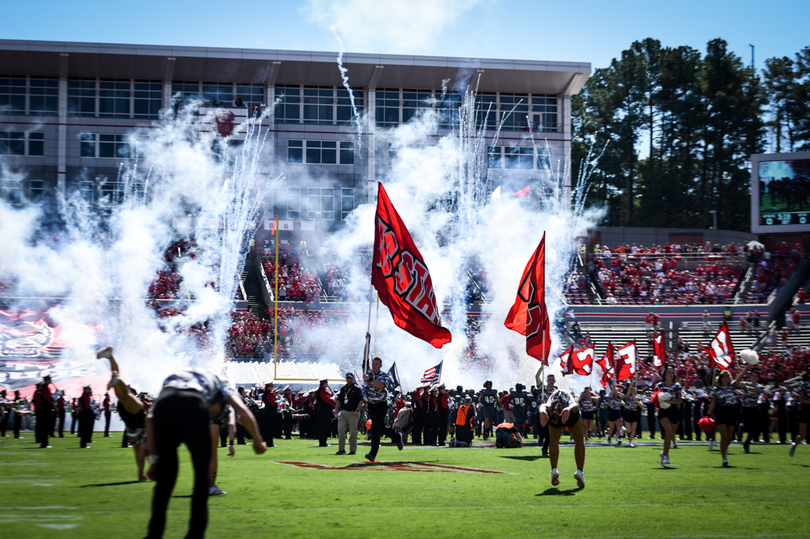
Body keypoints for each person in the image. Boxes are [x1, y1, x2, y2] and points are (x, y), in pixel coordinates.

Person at [144, 368, 266, 539]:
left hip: (166, 406)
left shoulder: (173, 379)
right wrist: (258, 440)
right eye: (214, 415)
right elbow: (242, 411)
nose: (212, 417)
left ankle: (153, 534)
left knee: (165, 480)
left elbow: (150, 418)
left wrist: (154, 460)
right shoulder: (220, 382)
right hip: (194, 405)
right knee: (202, 477)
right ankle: (195, 534)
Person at [539, 387, 586, 488]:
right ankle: (579, 471)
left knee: (554, 441)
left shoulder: (552, 402)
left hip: (555, 414)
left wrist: (542, 411)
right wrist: (568, 409)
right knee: (579, 441)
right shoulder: (568, 398)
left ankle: (554, 470)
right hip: (570, 412)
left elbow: (544, 405)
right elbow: (576, 405)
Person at [708, 363, 750, 467]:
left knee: (730, 439)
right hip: (722, 412)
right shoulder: (716, 390)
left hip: (731, 411)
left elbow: (740, 376)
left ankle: (724, 449)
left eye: (729, 375)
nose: (729, 377)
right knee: (724, 436)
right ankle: (724, 458)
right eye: (726, 375)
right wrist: (708, 414)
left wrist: (747, 366)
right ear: (722, 378)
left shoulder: (732, 386)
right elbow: (713, 403)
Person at [362, 355, 403, 462]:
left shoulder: (384, 376)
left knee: (375, 428)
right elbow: (365, 359)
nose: (374, 366)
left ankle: (372, 454)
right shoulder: (368, 373)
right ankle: (396, 437)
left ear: (380, 366)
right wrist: (368, 341)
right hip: (371, 404)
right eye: (373, 364)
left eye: (376, 364)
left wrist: (370, 379)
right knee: (380, 428)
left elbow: (380, 385)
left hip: (381, 404)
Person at [656, 364, 683, 467]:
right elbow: (655, 399)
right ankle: (668, 453)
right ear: (665, 374)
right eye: (669, 372)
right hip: (663, 411)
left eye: (672, 372)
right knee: (669, 431)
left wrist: (669, 401)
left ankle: (664, 454)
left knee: (668, 435)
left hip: (674, 410)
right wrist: (661, 402)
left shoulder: (677, 386)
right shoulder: (659, 386)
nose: (671, 374)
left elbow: (680, 401)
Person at [334, 372, 363, 455]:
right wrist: (336, 410)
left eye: (350, 378)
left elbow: (361, 400)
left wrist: (357, 409)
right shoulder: (343, 389)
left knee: (353, 431)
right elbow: (339, 400)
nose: (349, 379)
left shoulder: (357, 389)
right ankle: (341, 449)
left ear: (353, 378)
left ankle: (352, 449)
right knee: (341, 430)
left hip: (353, 412)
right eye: (347, 378)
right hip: (343, 411)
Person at [740, 369, 763, 453]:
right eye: (753, 376)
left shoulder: (760, 386)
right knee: (747, 425)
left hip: (754, 408)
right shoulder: (746, 384)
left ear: (758, 378)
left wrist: (746, 387)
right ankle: (741, 427)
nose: (754, 378)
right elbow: (737, 383)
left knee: (754, 430)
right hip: (746, 408)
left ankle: (746, 444)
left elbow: (757, 391)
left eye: (755, 376)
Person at [789, 369, 810, 457]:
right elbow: (800, 399)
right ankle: (794, 446)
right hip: (805, 410)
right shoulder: (804, 385)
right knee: (802, 435)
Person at [33, 375, 54, 448]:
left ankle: (44, 443)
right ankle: (44, 443)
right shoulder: (45, 388)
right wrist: (54, 397)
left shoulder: (45, 388)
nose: (50, 380)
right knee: (44, 426)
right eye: (49, 379)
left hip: (45, 409)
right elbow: (48, 399)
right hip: (45, 409)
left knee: (45, 426)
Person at [622, 379, 642, 447]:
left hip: (634, 413)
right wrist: (633, 381)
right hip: (628, 412)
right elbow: (629, 389)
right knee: (628, 430)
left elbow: (641, 406)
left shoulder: (637, 397)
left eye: (634, 389)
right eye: (632, 389)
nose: (633, 390)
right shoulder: (627, 397)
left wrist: (636, 400)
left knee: (633, 429)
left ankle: (630, 442)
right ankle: (623, 429)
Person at [315, 379, 334, 447]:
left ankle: (323, 441)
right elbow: (327, 401)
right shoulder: (322, 391)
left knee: (323, 427)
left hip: (323, 410)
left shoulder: (321, 390)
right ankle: (323, 442)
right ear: (324, 383)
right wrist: (333, 398)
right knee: (324, 427)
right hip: (324, 411)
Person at [77, 384, 95, 449]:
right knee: (85, 429)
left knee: (86, 429)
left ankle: (84, 443)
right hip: (85, 414)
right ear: (85, 389)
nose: (89, 390)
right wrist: (93, 406)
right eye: (88, 389)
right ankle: (83, 444)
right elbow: (87, 406)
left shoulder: (85, 396)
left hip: (85, 414)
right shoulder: (85, 396)